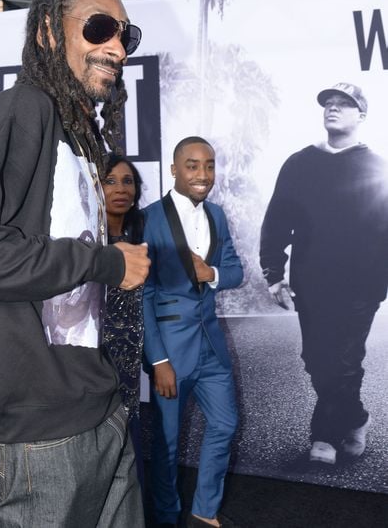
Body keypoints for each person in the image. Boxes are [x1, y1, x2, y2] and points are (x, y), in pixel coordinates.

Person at [0, 0, 149, 528]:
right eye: (99, 28)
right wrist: (106, 261)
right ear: (48, 31)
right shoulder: (22, 109)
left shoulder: (77, 132)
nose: (116, 46)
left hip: (95, 399)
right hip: (40, 427)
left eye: (126, 35)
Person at [260, 83, 388, 466]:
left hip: (360, 287)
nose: (332, 109)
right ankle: (356, 418)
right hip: (311, 283)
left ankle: (324, 437)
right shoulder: (299, 164)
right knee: (316, 358)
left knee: (346, 360)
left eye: (343, 104)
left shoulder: (377, 168)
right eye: (328, 104)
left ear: (361, 116)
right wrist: (273, 274)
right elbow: (277, 221)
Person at [143, 136, 243, 528]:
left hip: (211, 347)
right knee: (166, 445)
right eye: (192, 165)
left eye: (209, 165)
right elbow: (144, 294)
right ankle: (167, 518)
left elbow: (234, 270)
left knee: (225, 424)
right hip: (170, 352)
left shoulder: (217, 215)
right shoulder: (149, 217)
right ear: (173, 170)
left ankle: (204, 511)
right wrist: (158, 360)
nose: (203, 174)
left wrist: (212, 273)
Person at [101, 153, 146, 487]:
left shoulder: (143, 239)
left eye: (127, 181)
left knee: (132, 444)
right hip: (95, 359)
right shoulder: (85, 242)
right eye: (110, 181)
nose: (121, 189)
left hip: (133, 358)